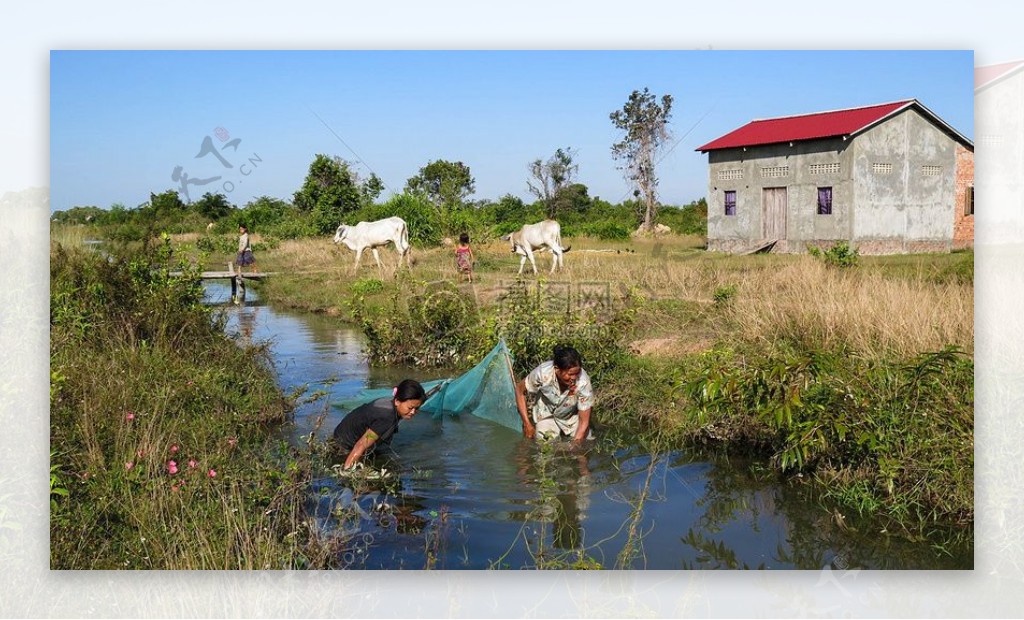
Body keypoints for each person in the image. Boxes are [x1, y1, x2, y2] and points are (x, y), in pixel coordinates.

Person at [332, 379, 426, 469]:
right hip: (344, 446)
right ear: (397, 401)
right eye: (410, 408)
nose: (413, 412)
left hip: (340, 435)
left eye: (416, 409)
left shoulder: (390, 404)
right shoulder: (386, 417)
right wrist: (346, 473)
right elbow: (361, 445)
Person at [514, 345, 594, 444]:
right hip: (546, 413)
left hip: (571, 416)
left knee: (583, 446)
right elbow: (519, 390)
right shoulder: (542, 373)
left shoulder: (583, 382)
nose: (574, 378)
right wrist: (527, 424)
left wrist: (576, 445)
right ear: (557, 369)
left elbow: (583, 422)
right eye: (570, 374)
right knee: (544, 447)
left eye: (577, 373)